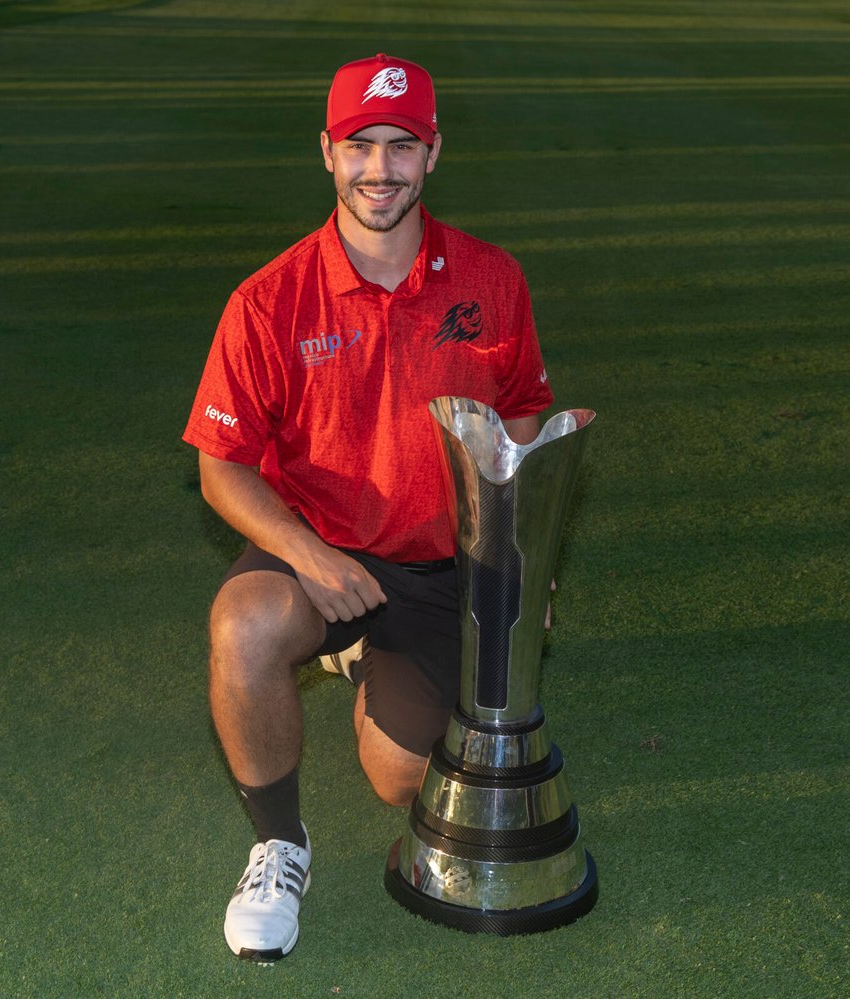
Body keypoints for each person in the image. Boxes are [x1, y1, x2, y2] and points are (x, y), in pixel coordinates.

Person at [182, 53, 555, 961]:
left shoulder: (492, 280)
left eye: (400, 146)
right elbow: (220, 469)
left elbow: (524, 417)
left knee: (399, 777)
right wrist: (311, 557)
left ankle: (364, 661)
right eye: (360, 145)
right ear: (326, 152)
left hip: (434, 564)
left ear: (433, 153)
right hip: (322, 551)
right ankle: (278, 842)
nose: (378, 168)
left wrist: (515, 566)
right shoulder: (269, 301)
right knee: (246, 625)